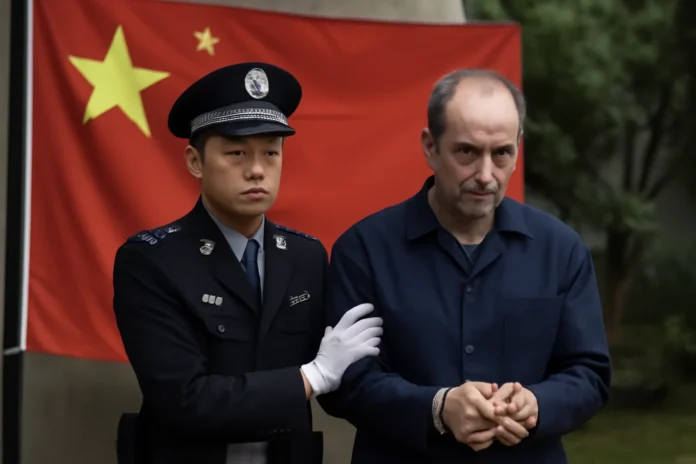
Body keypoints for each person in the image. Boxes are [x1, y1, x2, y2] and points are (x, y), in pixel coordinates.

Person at [317, 69, 612, 463]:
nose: (486, 175)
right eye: (467, 152)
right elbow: (344, 381)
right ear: (430, 147)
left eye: (501, 153)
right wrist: (436, 408)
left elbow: (590, 373)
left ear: (518, 148)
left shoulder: (562, 250)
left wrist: (539, 404)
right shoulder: (363, 249)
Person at [112, 62, 382, 464]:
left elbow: (341, 386)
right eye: (236, 153)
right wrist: (312, 377)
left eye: (271, 152)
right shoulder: (152, 261)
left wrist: (434, 403)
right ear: (195, 161)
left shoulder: (305, 256)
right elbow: (184, 399)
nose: (257, 170)